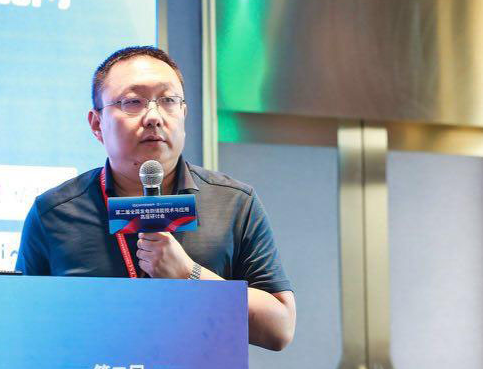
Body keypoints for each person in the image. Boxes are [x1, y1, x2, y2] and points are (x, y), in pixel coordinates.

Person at [15, 46, 296, 351]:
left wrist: (189, 275)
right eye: (133, 102)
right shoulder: (54, 213)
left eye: (168, 100)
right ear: (97, 124)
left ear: (183, 114)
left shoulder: (233, 204)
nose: (153, 117)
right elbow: (22, 330)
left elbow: (279, 329)